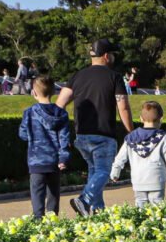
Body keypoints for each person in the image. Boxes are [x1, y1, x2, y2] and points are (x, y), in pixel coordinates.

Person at [57, 38, 133, 217]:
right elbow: (123, 106)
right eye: (113, 54)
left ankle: (97, 212)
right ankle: (84, 199)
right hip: (103, 134)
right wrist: (130, 131)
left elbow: (60, 104)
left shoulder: (77, 76)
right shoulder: (114, 77)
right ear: (106, 56)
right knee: (104, 172)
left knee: (94, 171)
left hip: (82, 135)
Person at [18, 76, 72, 217]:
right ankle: (52, 221)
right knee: (53, 193)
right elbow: (64, 138)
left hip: (36, 160)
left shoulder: (29, 113)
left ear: (33, 93)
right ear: (54, 91)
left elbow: (23, 134)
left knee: (37, 193)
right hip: (54, 161)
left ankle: (38, 220)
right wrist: (63, 158)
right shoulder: (62, 114)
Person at [110, 101, 166, 208]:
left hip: (138, 181)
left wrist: (115, 172)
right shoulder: (164, 138)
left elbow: (120, 158)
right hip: (156, 180)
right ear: (161, 119)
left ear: (141, 118)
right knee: (157, 209)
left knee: (140, 208)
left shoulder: (131, 138)